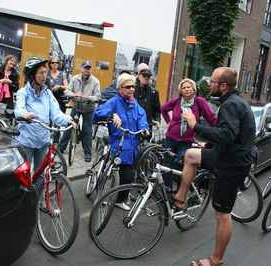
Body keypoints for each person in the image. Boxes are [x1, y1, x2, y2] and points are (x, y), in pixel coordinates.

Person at [172, 67, 256, 266]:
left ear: (223, 85)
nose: (209, 84)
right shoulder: (233, 101)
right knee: (191, 155)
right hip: (224, 154)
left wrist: (195, 126)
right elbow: (231, 136)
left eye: (212, 82)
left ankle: (216, 260)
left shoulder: (231, 105)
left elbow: (227, 135)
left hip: (232, 164)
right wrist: (208, 144)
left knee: (222, 214)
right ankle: (180, 198)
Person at [14, 56, 76, 197]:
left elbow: (56, 113)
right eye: (40, 73)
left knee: (41, 174)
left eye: (45, 72)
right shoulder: (23, 92)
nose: (44, 76)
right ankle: (20, 202)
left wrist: (68, 120)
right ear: (32, 75)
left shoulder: (47, 93)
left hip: (43, 140)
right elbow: (19, 108)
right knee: (22, 175)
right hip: (26, 140)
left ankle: (40, 201)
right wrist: (25, 115)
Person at [93, 73, 150, 210]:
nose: (132, 89)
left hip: (133, 145)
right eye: (128, 87)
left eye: (133, 86)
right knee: (126, 175)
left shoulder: (134, 103)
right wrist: (112, 114)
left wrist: (144, 129)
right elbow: (98, 112)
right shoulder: (114, 101)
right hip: (119, 144)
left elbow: (142, 117)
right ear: (120, 88)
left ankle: (120, 198)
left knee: (128, 175)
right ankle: (116, 197)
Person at [160, 78, 217, 189]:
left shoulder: (199, 102)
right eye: (184, 87)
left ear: (193, 89)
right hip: (171, 138)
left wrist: (220, 128)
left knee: (183, 166)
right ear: (181, 90)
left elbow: (212, 118)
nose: (186, 89)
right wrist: (169, 122)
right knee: (169, 165)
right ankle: (168, 190)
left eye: (188, 87)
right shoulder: (176, 101)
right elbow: (163, 109)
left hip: (186, 142)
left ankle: (182, 192)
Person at [58, 60, 101, 162]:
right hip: (76, 107)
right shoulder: (75, 78)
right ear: (81, 69)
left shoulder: (95, 81)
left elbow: (98, 96)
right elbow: (67, 91)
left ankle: (88, 153)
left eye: (89, 68)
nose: (87, 70)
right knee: (69, 126)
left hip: (88, 109)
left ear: (91, 69)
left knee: (88, 131)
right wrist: (74, 95)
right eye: (85, 68)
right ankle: (61, 148)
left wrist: (88, 98)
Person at [45, 56, 69, 146]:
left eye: (56, 62)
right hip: (48, 100)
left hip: (59, 100)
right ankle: (46, 143)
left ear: (58, 64)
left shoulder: (62, 74)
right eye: (53, 62)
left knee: (57, 124)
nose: (55, 64)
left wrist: (59, 86)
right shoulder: (46, 73)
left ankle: (55, 144)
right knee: (47, 122)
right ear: (50, 64)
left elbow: (67, 87)